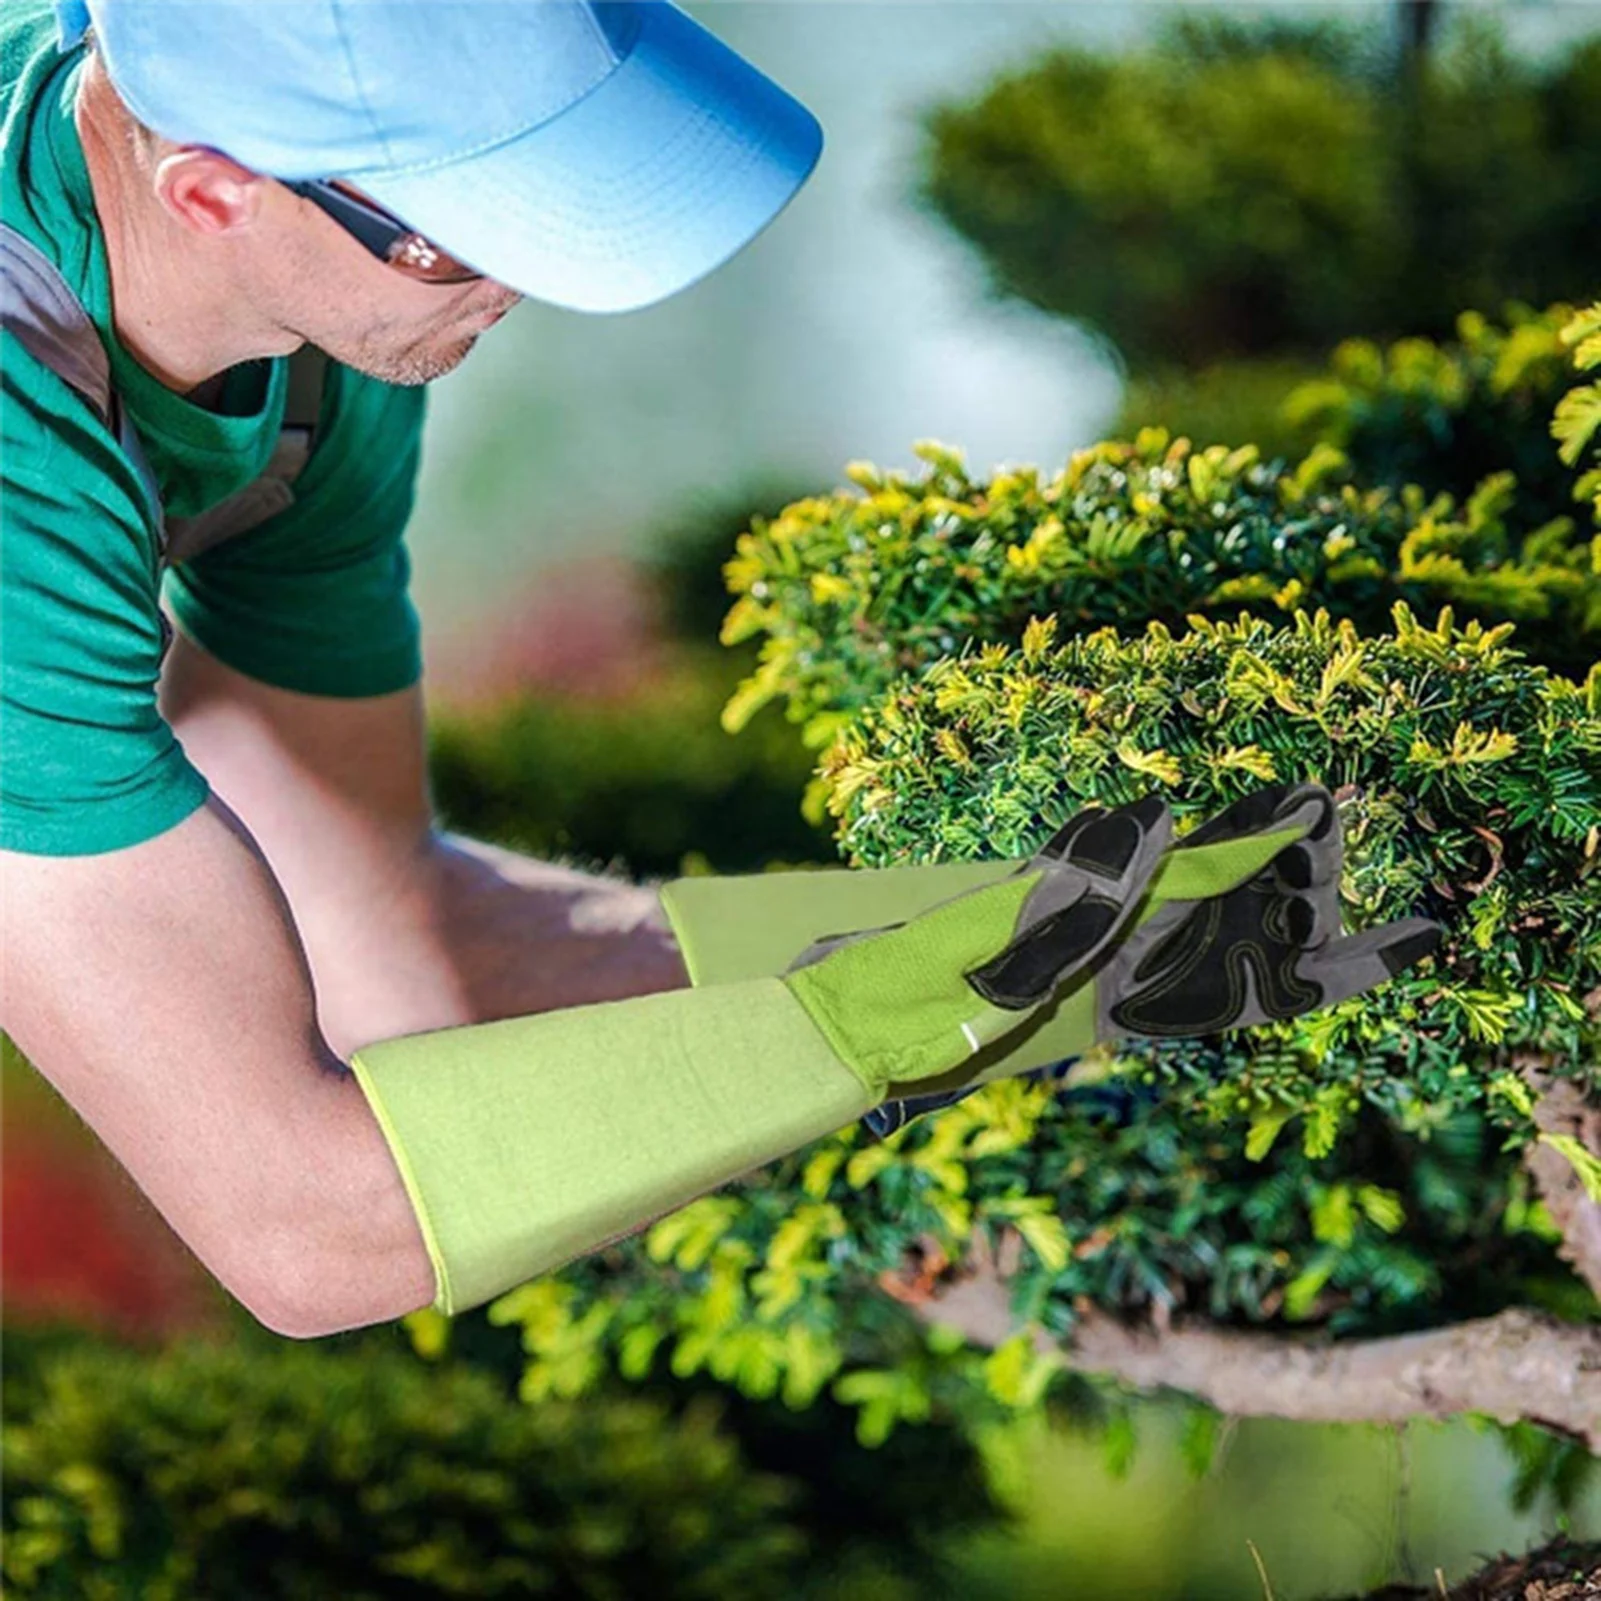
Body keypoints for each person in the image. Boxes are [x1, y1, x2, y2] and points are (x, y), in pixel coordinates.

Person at [1, 0, 1441, 1343]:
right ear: (212, 188)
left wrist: (1105, 943)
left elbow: (397, 960)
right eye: (466, 234)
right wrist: (885, 1024)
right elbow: (298, 1225)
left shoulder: (329, 348)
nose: (514, 289)